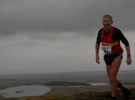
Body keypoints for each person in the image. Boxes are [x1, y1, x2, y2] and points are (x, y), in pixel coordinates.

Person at [95, 14, 132, 100]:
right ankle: (124, 90)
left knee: (112, 77)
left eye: (107, 21)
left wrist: (129, 56)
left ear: (111, 22)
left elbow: (126, 43)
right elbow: (97, 43)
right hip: (107, 57)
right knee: (112, 79)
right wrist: (96, 55)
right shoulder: (100, 32)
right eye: (104, 21)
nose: (105, 23)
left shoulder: (116, 32)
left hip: (116, 55)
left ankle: (113, 97)